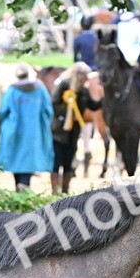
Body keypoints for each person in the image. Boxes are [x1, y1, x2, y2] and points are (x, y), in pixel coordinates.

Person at [0, 64, 53, 191]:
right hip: (34, 134)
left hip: (15, 133)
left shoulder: (12, 91)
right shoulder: (40, 90)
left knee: (16, 162)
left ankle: (19, 189)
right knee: (28, 163)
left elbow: (3, 111)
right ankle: (24, 188)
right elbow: (48, 111)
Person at [49, 62, 99, 195]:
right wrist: (68, 114)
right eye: (85, 76)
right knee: (56, 161)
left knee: (69, 162)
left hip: (73, 133)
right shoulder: (64, 85)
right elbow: (54, 103)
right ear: (79, 75)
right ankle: (54, 192)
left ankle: (65, 192)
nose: (87, 79)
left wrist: (105, 99)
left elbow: (93, 105)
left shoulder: (83, 91)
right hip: (59, 131)